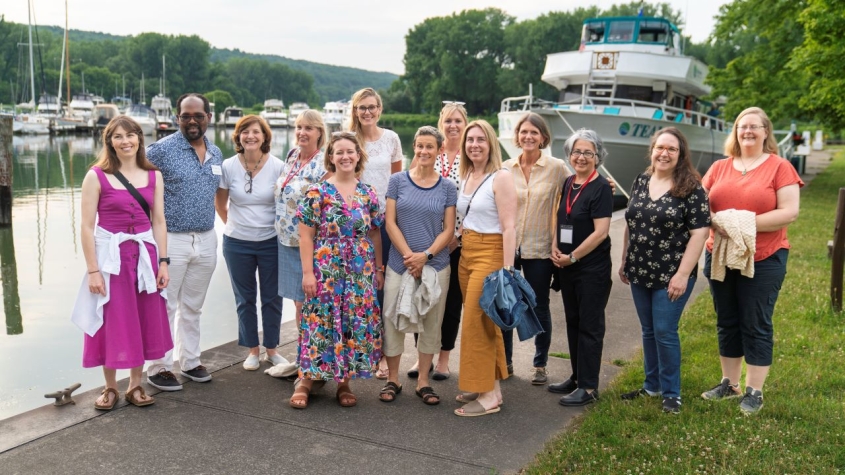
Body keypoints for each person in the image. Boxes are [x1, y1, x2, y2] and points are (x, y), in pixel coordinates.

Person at [700, 107, 803, 414]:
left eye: (754, 127)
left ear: (765, 132)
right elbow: (698, 205)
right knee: (727, 319)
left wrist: (735, 222)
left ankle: (754, 390)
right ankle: (729, 384)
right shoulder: (719, 167)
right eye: (742, 126)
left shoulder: (780, 167)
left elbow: (789, 212)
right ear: (735, 131)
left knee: (755, 322)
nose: (747, 131)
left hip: (764, 256)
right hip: (718, 254)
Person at [74, 116, 172, 409]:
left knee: (141, 318)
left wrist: (163, 263)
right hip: (111, 260)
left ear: (140, 139)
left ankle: (135, 385)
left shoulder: (153, 175)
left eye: (130, 135)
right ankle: (109, 388)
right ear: (110, 142)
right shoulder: (96, 175)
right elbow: (87, 227)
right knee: (112, 320)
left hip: (144, 256)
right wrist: (93, 270)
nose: (125, 141)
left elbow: (159, 221)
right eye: (118, 136)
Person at [618, 127, 710, 414]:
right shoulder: (641, 180)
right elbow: (631, 222)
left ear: (680, 154)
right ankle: (652, 385)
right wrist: (624, 260)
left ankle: (672, 394)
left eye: (671, 149)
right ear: (652, 150)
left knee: (665, 331)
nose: (664, 153)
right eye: (660, 147)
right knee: (648, 330)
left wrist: (683, 274)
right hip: (640, 269)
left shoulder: (691, 187)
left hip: (672, 273)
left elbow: (700, 232)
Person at [289, 131, 384, 409]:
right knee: (319, 321)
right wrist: (308, 273)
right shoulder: (317, 191)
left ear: (358, 156)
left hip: (360, 268)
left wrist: (378, 268)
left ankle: (344, 381)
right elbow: (305, 236)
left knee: (351, 321)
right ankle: (306, 379)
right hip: (326, 267)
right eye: (339, 152)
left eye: (350, 151)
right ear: (330, 157)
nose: (345, 156)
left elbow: (375, 233)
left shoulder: (368, 192)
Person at [145, 93, 223, 391]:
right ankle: (159, 367)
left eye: (198, 115)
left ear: (208, 118)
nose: (192, 121)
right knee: (164, 305)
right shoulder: (160, 151)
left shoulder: (215, 153)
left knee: (193, 305)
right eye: (186, 116)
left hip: (205, 238)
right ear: (178, 118)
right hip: (172, 240)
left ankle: (189, 360)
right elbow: (137, 185)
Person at [380, 126, 457, 405]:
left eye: (430, 147)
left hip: (435, 266)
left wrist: (425, 256)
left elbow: (448, 229)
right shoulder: (398, 181)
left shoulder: (447, 187)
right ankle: (393, 378)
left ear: (439, 151)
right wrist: (409, 256)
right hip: (400, 264)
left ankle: (423, 381)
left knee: (431, 322)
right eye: (420, 146)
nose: (424, 151)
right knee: (392, 321)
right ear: (414, 147)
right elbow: (390, 222)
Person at [453, 120, 517, 417]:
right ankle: (488, 385)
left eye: (480, 139)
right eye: (470, 140)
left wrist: (507, 269)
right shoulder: (467, 173)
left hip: (491, 253)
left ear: (491, 142)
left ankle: (488, 396)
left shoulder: (501, 177)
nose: (474, 144)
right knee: (484, 322)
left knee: (475, 324)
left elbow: (509, 226)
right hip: (468, 252)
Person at [501, 112, 569, 385]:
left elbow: (577, 191)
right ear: (517, 136)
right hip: (509, 247)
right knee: (506, 305)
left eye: (534, 132)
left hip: (540, 248)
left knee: (539, 305)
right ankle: (505, 361)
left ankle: (540, 363)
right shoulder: (505, 167)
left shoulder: (557, 168)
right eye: (524, 132)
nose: (528, 137)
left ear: (543, 138)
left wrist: (605, 185)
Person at [216, 115, 287, 370]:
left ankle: (272, 349)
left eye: (255, 132)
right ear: (238, 136)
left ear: (265, 136)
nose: (250, 136)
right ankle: (252, 351)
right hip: (237, 243)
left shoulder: (279, 166)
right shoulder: (228, 166)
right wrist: (236, 228)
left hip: (271, 241)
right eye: (245, 132)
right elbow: (220, 204)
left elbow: (285, 205)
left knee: (272, 297)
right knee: (244, 298)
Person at [549, 128, 613, 406]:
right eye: (577, 151)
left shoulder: (601, 188)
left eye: (588, 152)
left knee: (589, 325)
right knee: (573, 322)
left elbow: (600, 233)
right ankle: (577, 377)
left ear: (598, 156)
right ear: (569, 154)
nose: (582, 157)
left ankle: (588, 387)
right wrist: (555, 245)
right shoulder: (569, 182)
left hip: (591, 269)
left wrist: (573, 256)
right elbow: (561, 215)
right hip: (567, 266)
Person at [407, 101, 466, 380]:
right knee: (422, 298)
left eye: (458, 120)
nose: (453, 125)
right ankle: (422, 360)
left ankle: (443, 359)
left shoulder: (471, 155)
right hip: (426, 244)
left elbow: (479, 200)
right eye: (448, 121)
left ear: (465, 124)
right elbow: (411, 189)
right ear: (441, 124)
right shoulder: (430, 153)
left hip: (458, 243)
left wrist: (458, 236)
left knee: (451, 302)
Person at [349, 87, 403, 380]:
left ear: (379, 109)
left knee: (381, 289)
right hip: (354, 224)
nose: (367, 112)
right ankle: (356, 351)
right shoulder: (348, 141)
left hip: (384, 223)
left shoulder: (391, 139)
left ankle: (381, 355)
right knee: (357, 289)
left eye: (371, 107)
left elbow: (396, 182)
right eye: (361, 108)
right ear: (355, 111)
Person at [275, 110, 330, 328]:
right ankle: (303, 352)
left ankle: (310, 353)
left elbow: (327, 206)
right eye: (299, 127)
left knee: (309, 300)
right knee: (298, 301)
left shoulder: (325, 162)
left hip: (310, 244)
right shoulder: (292, 155)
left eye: (308, 128)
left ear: (319, 132)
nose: (302, 132)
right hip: (286, 241)